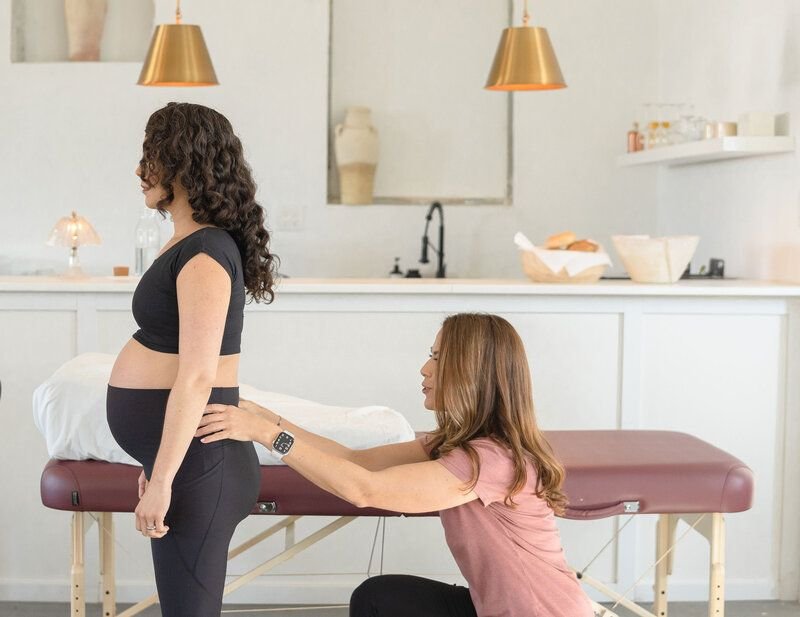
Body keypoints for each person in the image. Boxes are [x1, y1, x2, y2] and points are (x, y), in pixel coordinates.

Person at [195, 313, 593, 617]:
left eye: (437, 357)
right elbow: (354, 460)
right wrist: (266, 417)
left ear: (472, 371)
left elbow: (363, 489)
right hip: (488, 606)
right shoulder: (456, 444)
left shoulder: (490, 460)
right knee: (379, 598)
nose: (425, 368)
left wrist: (268, 436)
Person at [105, 102, 278, 617]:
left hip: (203, 466)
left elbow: (198, 375)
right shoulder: (190, 243)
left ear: (182, 162)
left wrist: (163, 479)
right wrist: (157, 462)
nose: (141, 170)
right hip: (191, 461)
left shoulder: (205, 251)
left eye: (151, 156)